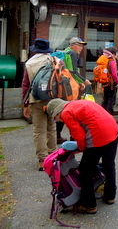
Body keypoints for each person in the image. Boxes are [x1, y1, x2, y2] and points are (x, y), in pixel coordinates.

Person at [45, 98, 118, 214]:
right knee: (108, 164)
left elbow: (79, 135)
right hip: (113, 130)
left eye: (56, 119)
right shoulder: (78, 103)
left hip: (98, 134)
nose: (58, 121)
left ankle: (89, 204)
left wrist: (80, 148)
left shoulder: (66, 113)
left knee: (85, 170)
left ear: (57, 112)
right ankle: (110, 195)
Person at [22, 38, 57, 171]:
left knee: (39, 130)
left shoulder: (30, 63)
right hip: (53, 99)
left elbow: (26, 85)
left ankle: (42, 160)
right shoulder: (54, 61)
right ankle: (53, 155)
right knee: (51, 127)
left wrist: (25, 105)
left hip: (36, 99)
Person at [98, 47, 118, 116]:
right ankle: (109, 115)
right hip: (111, 84)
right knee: (111, 100)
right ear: (113, 54)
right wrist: (117, 83)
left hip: (105, 82)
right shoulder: (112, 62)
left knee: (105, 99)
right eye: (116, 54)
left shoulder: (105, 60)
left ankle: (102, 114)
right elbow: (114, 74)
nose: (117, 55)